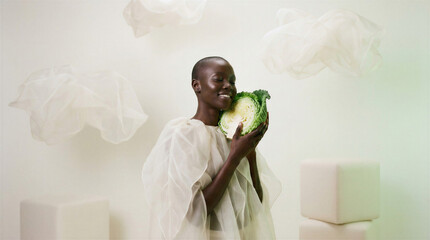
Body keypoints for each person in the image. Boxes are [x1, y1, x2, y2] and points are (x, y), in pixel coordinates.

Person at [142, 56, 281, 239]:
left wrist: (250, 151)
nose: (228, 86)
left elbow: (256, 203)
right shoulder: (183, 135)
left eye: (232, 81)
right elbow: (195, 213)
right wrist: (234, 157)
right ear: (196, 85)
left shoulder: (234, 135)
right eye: (219, 79)